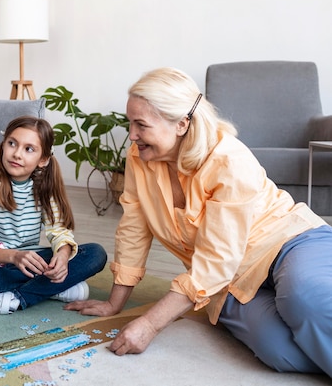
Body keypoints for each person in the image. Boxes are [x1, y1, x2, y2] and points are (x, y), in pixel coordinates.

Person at [66, 67, 332, 377]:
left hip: (289, 241)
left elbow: (216, 259)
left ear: (181, 124)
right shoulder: (138, 157)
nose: (132, 135)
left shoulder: (229, 160)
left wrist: (151, 323)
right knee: (278, 350)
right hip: (228, 280)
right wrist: (114, 304)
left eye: (141, 125)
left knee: (303, 300)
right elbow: (133, 230)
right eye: (130, 123)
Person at [0, 116, 107, 316]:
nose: (17, 154)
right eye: (12, 144)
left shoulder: (43, 187)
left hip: (30, 262)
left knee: (95, 254)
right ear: (3, 145)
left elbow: (59, 231)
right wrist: (13, 256)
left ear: (43, 160)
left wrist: (62, 258)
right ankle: (51, 289)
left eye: (29, 149)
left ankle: (12, 299)